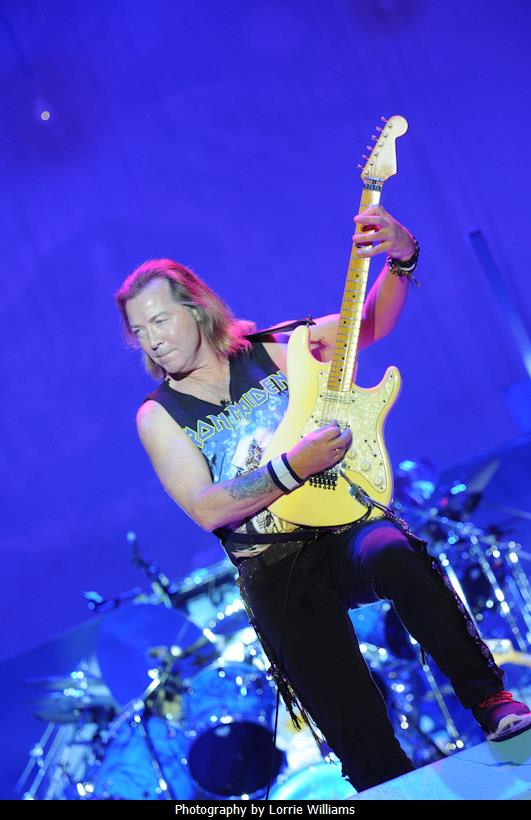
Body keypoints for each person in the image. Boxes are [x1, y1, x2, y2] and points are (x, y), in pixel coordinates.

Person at [116, 205, 531, 793]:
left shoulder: (273, 350)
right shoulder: (158, 416)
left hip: (339, 529)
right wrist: (292, 466)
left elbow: (371, 323)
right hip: (274, 570)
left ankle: (491, 701)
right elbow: (207, 507)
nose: (153, 340)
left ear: (197, 308)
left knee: (393, 549)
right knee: (362, 741)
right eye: (139, 332)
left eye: (160, 320)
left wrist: (403, 255)